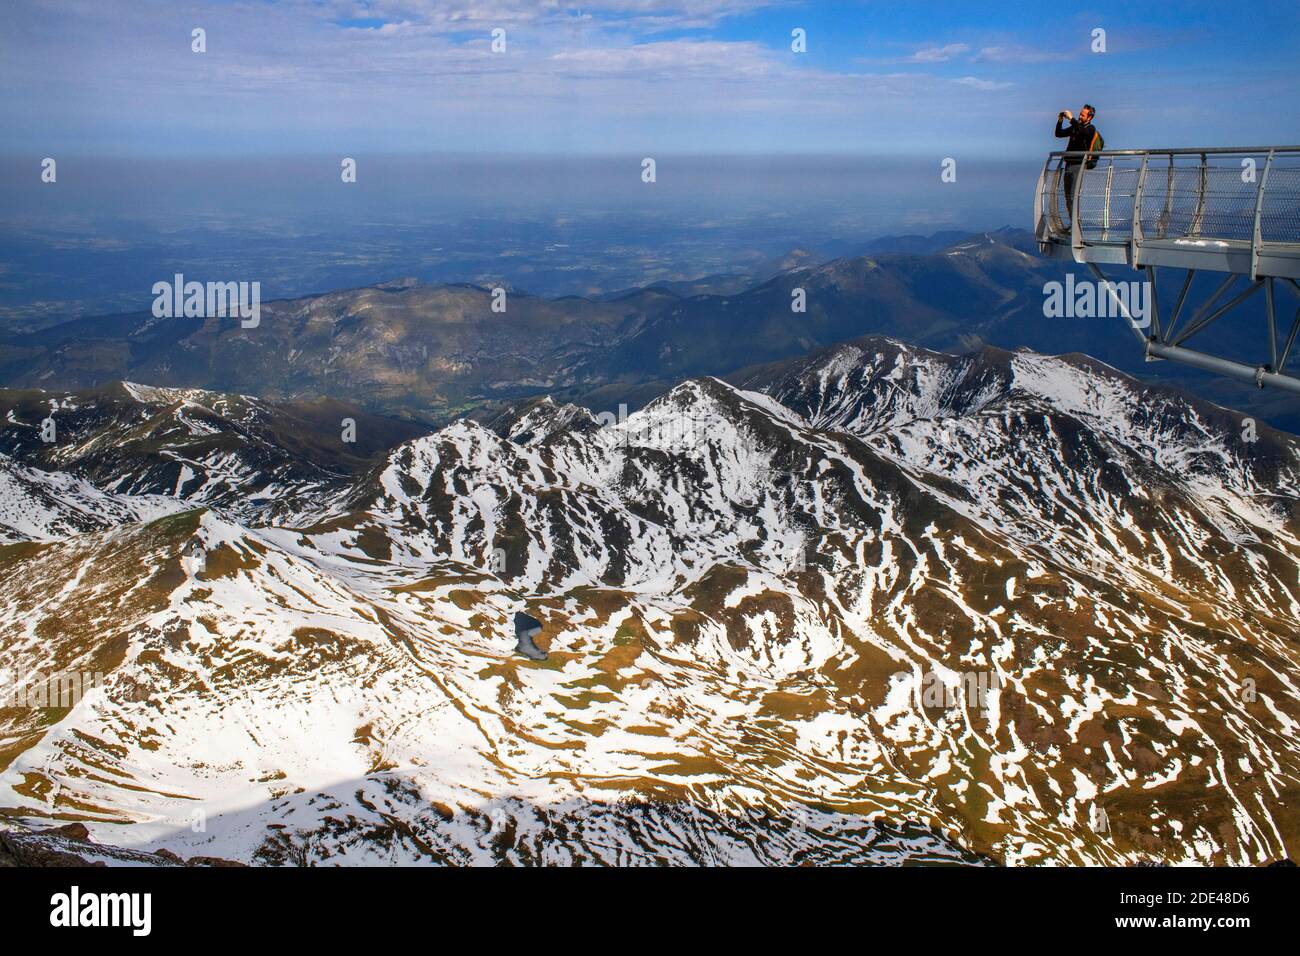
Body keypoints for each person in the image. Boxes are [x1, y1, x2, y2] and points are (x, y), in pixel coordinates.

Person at [1054, 104, 1102, 217]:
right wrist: (1060, 120)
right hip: (1068, 164)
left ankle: (1076, 224)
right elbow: (1058, 133)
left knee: (1073, 196)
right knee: (1067, 196)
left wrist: (1071, 119)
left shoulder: (1090, 128)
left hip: (1078, 165)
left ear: (1089, 117)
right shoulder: (1076, 127)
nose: (1080, 116)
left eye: (1083, 115)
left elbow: (1083, 133)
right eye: (1080, 114)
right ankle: (1073, 223)